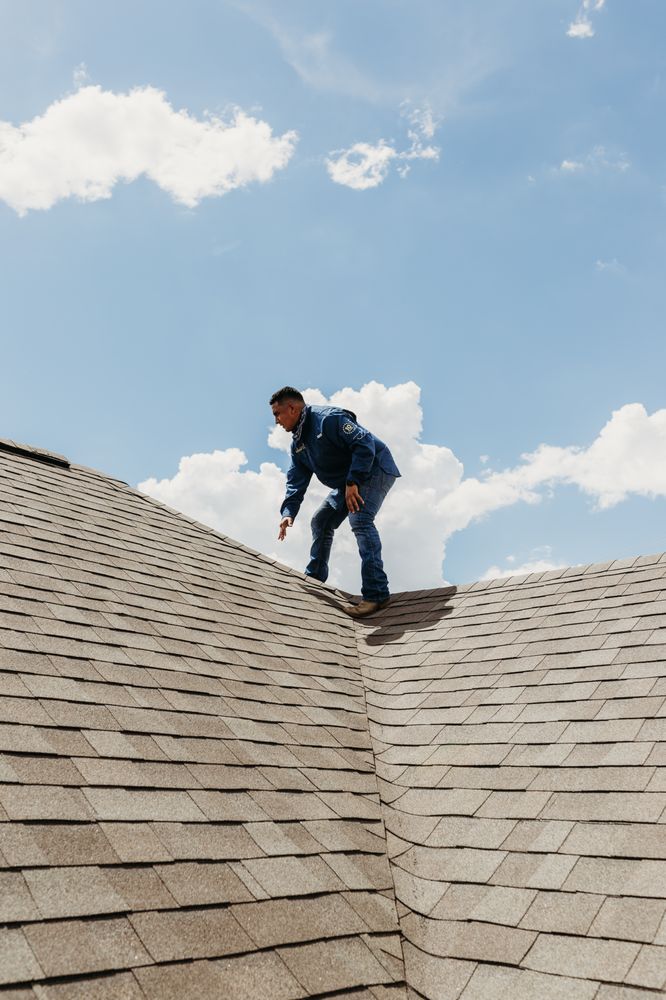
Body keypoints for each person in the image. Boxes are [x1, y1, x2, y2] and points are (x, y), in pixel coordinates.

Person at [270, 386, 400, 617]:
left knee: (359, 518)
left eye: (277, 414)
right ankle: (315, 580)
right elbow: (296, 481)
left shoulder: (329, 419)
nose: (277, 421)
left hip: (373, 469)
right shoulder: (298, 444)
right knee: (321, 521)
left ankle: (377, 594)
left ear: (292, 408)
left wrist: (353, 482)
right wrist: (288, 512)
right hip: (348, 481)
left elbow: (364, 444)